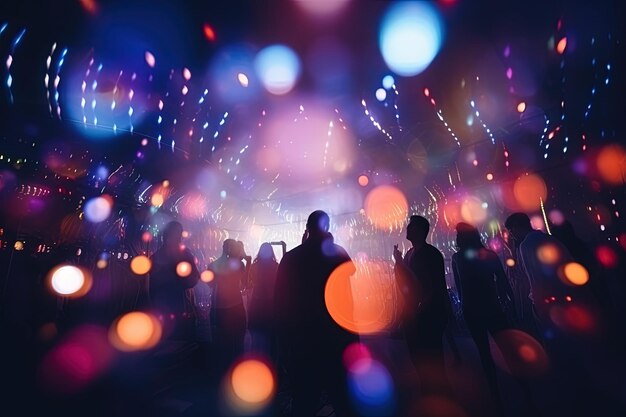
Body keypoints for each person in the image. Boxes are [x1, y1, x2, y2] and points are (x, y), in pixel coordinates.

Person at [274, 210, 358, 417]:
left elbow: (280, 302)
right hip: (335, 337)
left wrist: (283, 342)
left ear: (307, 228)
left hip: (302, 339)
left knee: (304, 399)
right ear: (327, 228)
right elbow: (351, 272)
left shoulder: (291, 258)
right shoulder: (337, 253)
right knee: (341, 397)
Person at [451, 222, 515, 415]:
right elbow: (502, 280)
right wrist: (509, 303)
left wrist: (461, 307)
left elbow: (460, 286)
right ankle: (524, 386)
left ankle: (495, 393)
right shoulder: (488, 254)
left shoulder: (457, 258)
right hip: (492, 306)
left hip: (472, 309)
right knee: (507, 348)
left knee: (484, 352)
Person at [393, 215, 452, 398]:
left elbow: (434, 286)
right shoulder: (410, 254)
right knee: (417, 357)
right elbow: (407, 284)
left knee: (432, 357)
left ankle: (440, 395)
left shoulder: (431, 254)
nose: (407, 229)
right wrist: (399, 263)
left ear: (419, 230)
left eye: (410, 227)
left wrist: (422, 310)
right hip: (415, 314)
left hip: (429, 314)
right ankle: (429, 392)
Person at [149, 221, 200, 340]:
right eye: (178, 235)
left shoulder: (155, 257)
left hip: (161, 311)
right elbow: (193, 280)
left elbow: (150, 288)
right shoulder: (185, 255)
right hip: (180, 309)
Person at [207, 239, 248, 374]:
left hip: (218, 307)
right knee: (237, 341)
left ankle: (221, 373)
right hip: (235, 306)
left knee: (221, 342)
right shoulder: (239, 265)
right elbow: (245, 284)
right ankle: (237, 370)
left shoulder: (212, 265)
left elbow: (210, 285)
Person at [248, 242, 279, 359]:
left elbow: (249, 283)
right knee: (270, 334)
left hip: (257, 302)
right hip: (271, 302)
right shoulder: (276, 266)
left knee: (257, 334)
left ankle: (257, 359)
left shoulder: (254, 267)